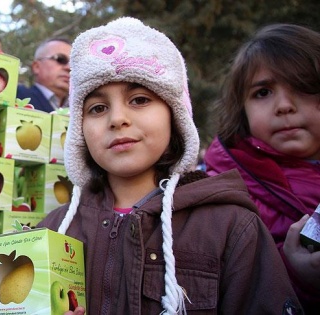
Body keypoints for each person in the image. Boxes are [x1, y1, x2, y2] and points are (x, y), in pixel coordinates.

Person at [37, 17, 301, 314]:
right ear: (79, 130)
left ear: (175, 117)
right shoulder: (55, 229)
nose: (117, 119)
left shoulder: (230, 226)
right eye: (97, 108)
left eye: (139, 99)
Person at [203, 23, 320, 313]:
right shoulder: (224, 190)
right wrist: (294, 274)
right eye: (263, 92)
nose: (283, 106)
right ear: (241, 108)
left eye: (303, 86)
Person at [16, 38, 71, 113]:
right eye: (60, 59)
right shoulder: (15, 96)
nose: (69, 67)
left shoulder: (82, 109)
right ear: (36, 67)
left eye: (74, 63)